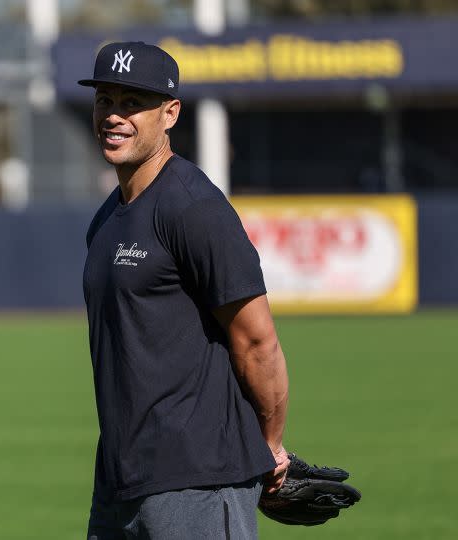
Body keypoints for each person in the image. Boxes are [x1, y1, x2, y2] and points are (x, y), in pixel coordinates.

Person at [78, 42, 290, 539]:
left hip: (196, 477)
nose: (114, 115)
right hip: (118, 477)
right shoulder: (106, 218)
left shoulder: (194, 208)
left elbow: (257, 341)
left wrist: (271, 447)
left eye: (132, 103)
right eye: (105, 100)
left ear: (170, 113)